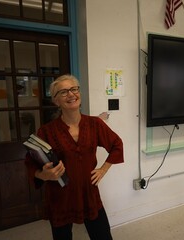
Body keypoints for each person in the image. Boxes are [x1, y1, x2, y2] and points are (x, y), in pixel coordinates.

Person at [25, 74, 124, 240]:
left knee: (103, 236)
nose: (71, 94)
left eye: (74, 89)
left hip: (89, 192)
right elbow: (30, 162)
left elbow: (117, 145)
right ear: (56, 101)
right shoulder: (46, 131)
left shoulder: (95, 124)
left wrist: (103, 170)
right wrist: (44, 175)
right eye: (63, 92)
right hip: (60, 196)